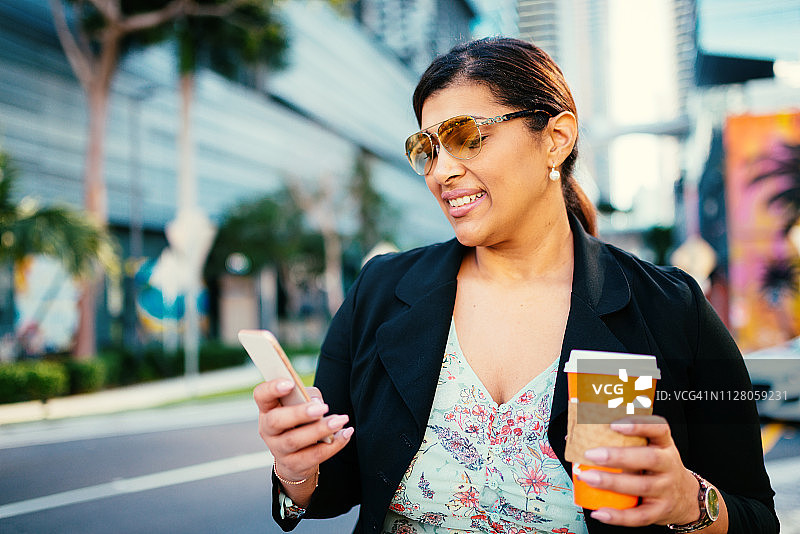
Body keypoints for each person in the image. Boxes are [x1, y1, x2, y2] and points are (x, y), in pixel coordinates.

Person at [254, 37, 778, 534]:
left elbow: (757, 518)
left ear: (556, 138)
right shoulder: (380, 293)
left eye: (464, 136)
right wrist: (296, 469)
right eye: (426, 149)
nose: (441, 171)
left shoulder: (669, 309)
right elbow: (332, 491)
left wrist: (689, 501)